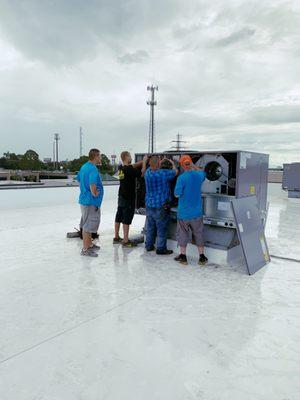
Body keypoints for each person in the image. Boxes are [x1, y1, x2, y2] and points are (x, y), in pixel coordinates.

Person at [174, 155, 208, 266]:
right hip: (197, 212)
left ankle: (183, 257)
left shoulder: (181, 178)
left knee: (183, 234)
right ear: (191, 163)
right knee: (199, 233)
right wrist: (194, 166)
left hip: (184, 213)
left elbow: (177, 194)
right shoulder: (198, 175)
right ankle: (202, 257)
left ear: (182, 165)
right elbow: (204, 173)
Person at [143, 155, 178, 255]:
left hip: (149, 204)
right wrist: (171, 163)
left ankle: (149, 246)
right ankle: (161, 248)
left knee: (150, 226)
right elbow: (176, 172)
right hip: (161, 205)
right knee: (161, 228)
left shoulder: (147, 173)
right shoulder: (163, 173)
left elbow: (149, 167)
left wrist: (156, 161)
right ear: (159, 164)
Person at [77, 149, 104, 257]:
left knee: (87, 223)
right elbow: (92, 184)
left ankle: (89, 244)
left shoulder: (84, 167)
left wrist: (84, 190)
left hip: (85, 200)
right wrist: (94, 193)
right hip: (90, 202)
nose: (100, 158)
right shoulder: (93, 169)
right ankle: (85, 249)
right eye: (100, 156)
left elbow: (79, 180)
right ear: (96, 156)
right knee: (88, 225)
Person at [113, 151, 143, 247]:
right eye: (130, 156)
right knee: (126, 217)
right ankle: (126, 241)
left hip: (121, 196)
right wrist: (145, 163)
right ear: (126, 157)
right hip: (129, 198)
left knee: (119, 215)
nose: (131, 158)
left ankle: (116, 237)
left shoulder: (121, 168)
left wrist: (141, 161)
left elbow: (132, 166)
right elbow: (142, 174)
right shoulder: (130, 170)